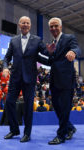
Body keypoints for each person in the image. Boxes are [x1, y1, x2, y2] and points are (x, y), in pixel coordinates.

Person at [3, 16, 49, 142]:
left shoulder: (37, 40)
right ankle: (14, 130)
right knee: (9, 102)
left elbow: (46, 52)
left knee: (29, 107)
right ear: (19, 25)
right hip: (15, 77)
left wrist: (54, 54)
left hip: (30, 78)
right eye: (23, 22)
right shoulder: (13, 40)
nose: (25, 24)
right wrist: (5, 68)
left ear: (30, 25)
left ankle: (27, 133)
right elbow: (6, 58)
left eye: (27, 23)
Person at [47, 17, 81, 145]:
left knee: (65, 108)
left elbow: (77, 48)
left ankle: (61, 135)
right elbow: (51, 62)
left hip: (66, 80)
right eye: (51, 26)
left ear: (61, 27)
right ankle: (70, 127)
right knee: (56, 107)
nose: (54, 28)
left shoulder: (69, 38)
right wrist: (36, 56)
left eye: (56, 25)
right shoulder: (52, 43)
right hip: (54, 81)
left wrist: (73, 51)